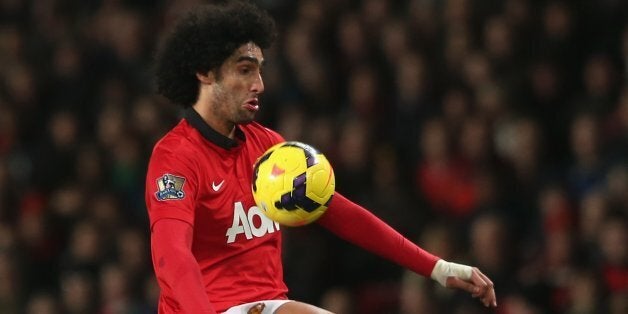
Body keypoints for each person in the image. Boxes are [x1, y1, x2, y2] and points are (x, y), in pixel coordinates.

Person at [144, 1, 497, 313]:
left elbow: (339, 212)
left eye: (260, 70)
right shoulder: (176, 159)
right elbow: (172, 256)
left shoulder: (269, 147)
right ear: (205, 72)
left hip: (268, 304)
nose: (260, 85)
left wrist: (435, 267)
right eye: (244, 69)